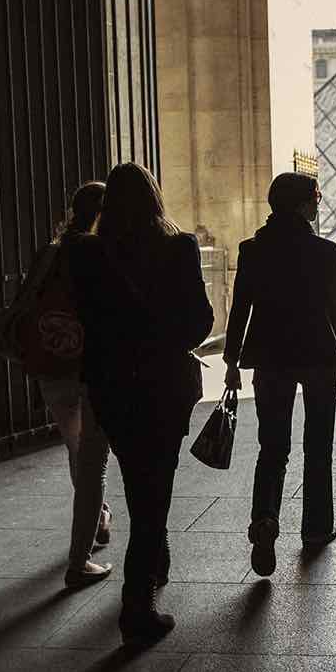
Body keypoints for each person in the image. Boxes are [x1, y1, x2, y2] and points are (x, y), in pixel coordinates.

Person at [66, 162, 212, 642]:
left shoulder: (87, 252)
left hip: (111, 387)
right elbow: (199, 323)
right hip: (164, 385)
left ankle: (156, 555)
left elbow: (81, 318)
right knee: (155, 492)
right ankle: (137, 606)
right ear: (155, 197)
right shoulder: (178, 247)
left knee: (137, 482)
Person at [223, 172, 336, 577]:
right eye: (316, 197)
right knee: (318, 447)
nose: (319, 203)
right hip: (319, 356)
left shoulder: (252, 250)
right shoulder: (326, 252)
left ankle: (265, 519)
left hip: (269, 358)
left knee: (272, 447)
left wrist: (232, 361)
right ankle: (316, 529)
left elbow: (240, 311)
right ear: (302, 205)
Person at [33, 182, 117, 556]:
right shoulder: (100, 252)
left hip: (53, 359)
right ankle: (92, 523)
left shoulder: (51, 253)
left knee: (76, 446)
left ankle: (96, 514)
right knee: (93, 454)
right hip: (91, 363)